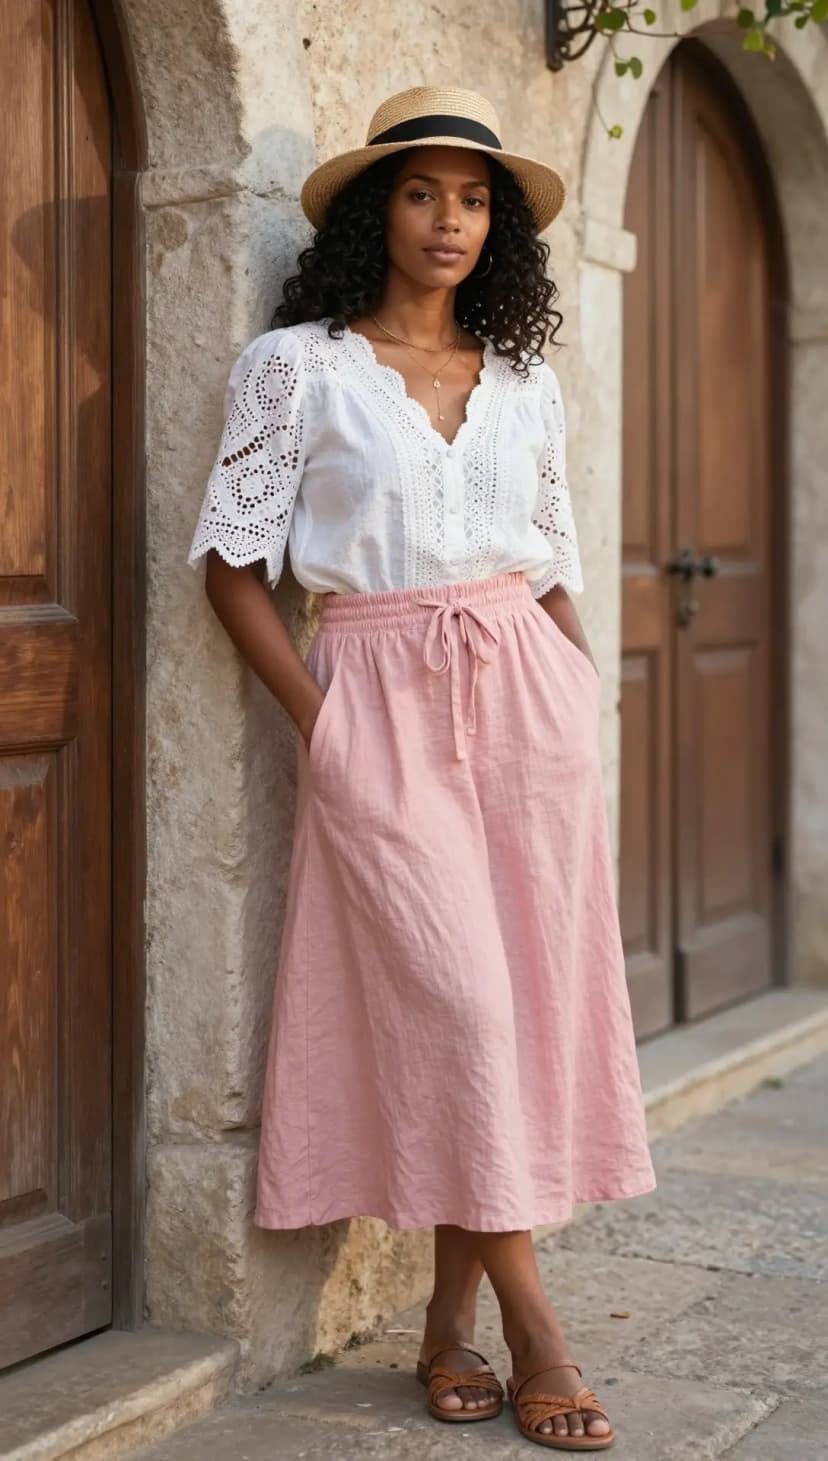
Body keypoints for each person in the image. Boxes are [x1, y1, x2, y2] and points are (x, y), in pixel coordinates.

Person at [189, 84, 655, 1452]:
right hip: (379, 704)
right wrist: (321, 725)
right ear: (372, 213)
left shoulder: (523, 382)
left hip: (529, 706)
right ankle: (536, 1324)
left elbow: (555, 568)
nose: (448, 218)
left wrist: (579, 705)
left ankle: (449, 1323)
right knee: (462, 1006)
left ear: (492, 223)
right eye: (420, 191)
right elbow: (230, 567)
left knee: (510, 1011)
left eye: (472, 197)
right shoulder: (298, 369)